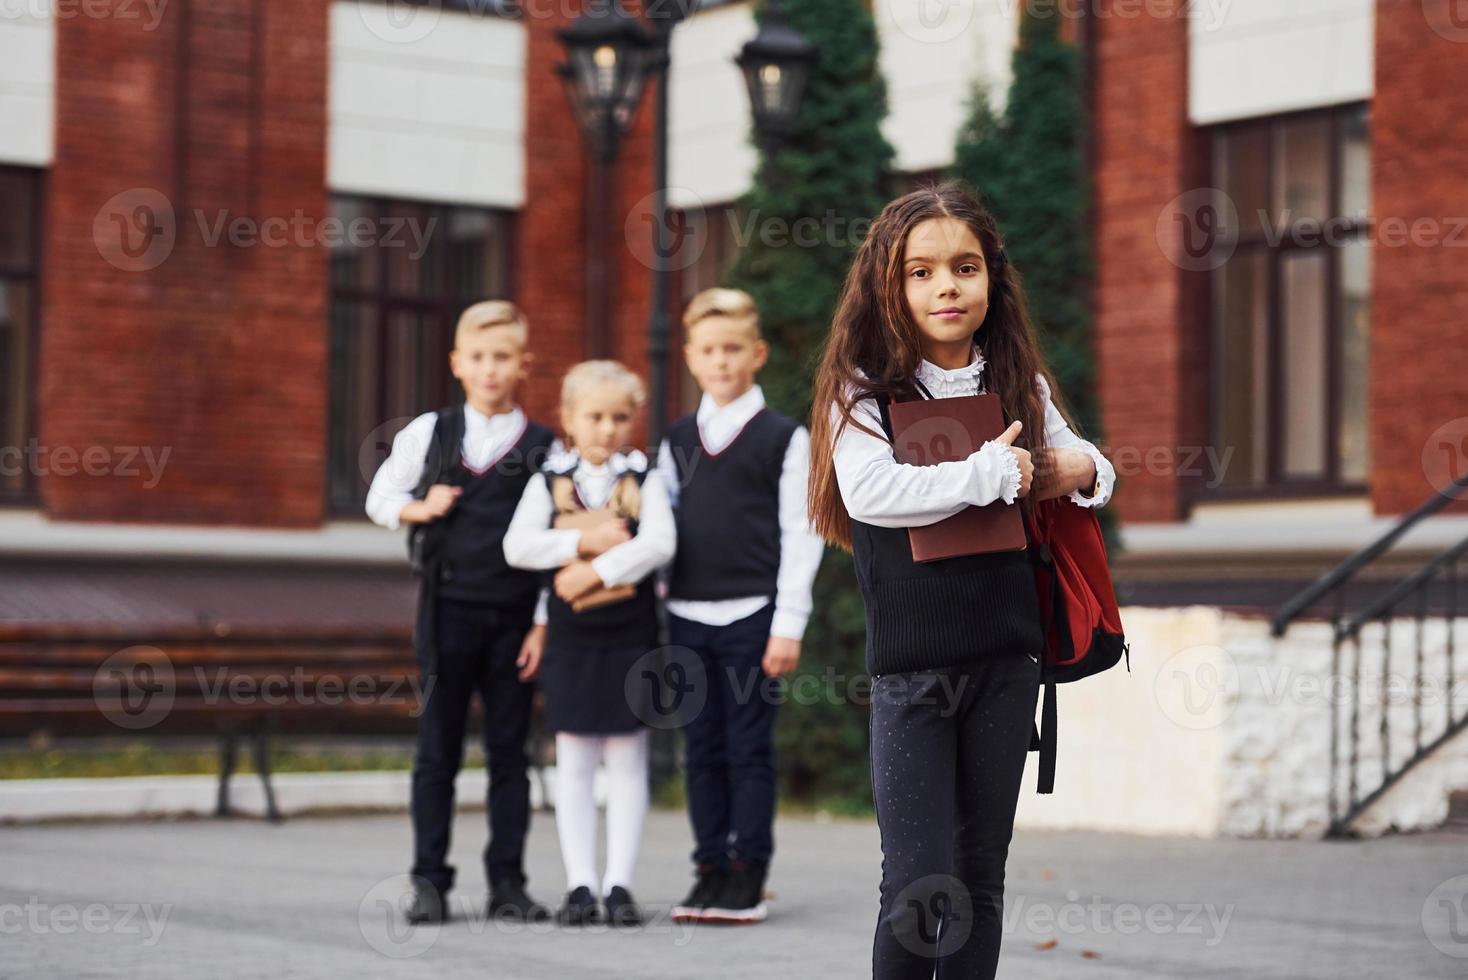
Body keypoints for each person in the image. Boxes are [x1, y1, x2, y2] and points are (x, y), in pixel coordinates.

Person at [806, 182, 1116, 978]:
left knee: (979, 877)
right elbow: (873, 493)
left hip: (1007, 663)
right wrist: (988, 474)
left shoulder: (1020, 384)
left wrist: (1037, 469)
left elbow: (1094, 470)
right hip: (913, 674)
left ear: (992, 279)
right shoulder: (864, 390)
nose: (947, 285)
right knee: (916, 883)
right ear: (889, 285)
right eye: (921, 272)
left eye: (966, 267)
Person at [365, 300, 556, 925]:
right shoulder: (432, 431)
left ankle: (508, 882)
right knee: (437, 750)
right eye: (477, 358)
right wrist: (419, 506)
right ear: (457, 363)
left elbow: (558, 539)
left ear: (523, 365)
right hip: (447, 611)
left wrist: (542, 622)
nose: (490, 369)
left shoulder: (545, 448)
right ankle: (429, 881)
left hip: (514, 618)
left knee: (510, 753)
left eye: (502, 358)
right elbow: (379, 498)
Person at [657, 287, 825, 924]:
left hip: (754, 617)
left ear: (755, 354)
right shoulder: (675, 441)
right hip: (688, 617)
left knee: (748, 748)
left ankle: (748, 874)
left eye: (733, 349)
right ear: (691, 358)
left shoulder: (783, 437)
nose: (721, 361)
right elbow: (658, 530)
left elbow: (801, 531)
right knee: (699, 748)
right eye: (708, 350)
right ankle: (709, 869)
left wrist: (788, 623)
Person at [503, 360, 676, 927]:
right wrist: (584, 540)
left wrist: (593, 571)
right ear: (569, 420)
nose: (607, 428)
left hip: (629, 631)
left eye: (619, 417)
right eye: (594, 416)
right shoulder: (546, 480)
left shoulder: (645, 479)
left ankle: (619, 884)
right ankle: (580, 884)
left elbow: (659, 544)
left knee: (627, 756)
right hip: (572, 636)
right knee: (575, 756)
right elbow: (518, 547)